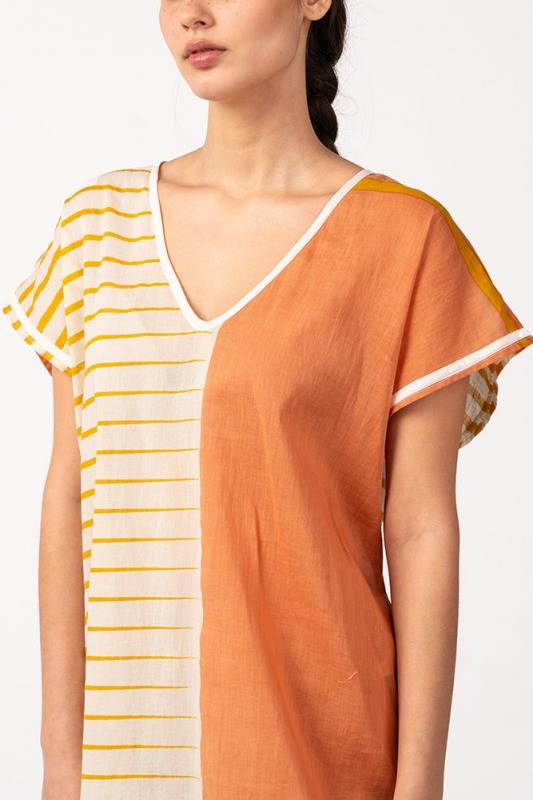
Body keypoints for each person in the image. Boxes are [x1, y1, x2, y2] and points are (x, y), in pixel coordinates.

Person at [3, 2, 532, 799]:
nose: (192, 15)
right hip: (118, 765)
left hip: (312, 758)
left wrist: (420, 784)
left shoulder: (402, 240)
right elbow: (68, 495)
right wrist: (60, 762)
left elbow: (421, 529)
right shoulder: (95, 231)